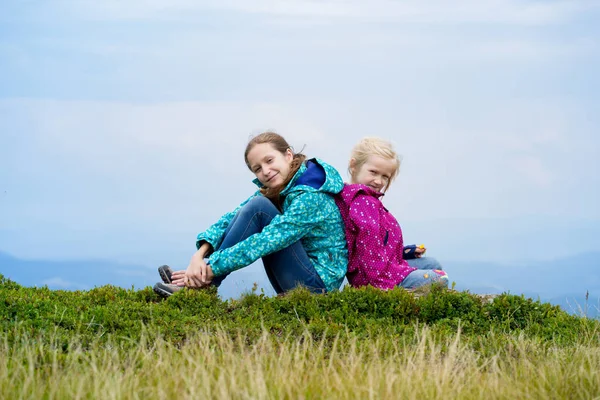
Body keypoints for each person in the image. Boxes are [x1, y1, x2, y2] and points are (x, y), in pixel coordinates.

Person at [153, 132, 348, 297]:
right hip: (303, 277)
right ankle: (201, 283)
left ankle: (201, 285)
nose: (266, 171)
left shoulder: (310, 196)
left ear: (288, 155)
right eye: (257, 168)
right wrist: (199, 256)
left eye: (269, 160)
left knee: (259, 208)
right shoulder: (282, 187)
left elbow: (265, 242)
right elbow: (232, 218)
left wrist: (209, 270)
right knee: (255, 207)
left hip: (317, 290)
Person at [334, 137, 448, 290]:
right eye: (373, 172)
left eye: (385, 176)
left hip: (382, 267)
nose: (378, 181)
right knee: (440, 278)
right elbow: (368, 250)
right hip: (374, 278)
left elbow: (371, 246)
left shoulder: (360, 197)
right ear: (354, 165)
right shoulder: (363, 203)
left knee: (432, 263)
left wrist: (404, 252)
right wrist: (383, 284)